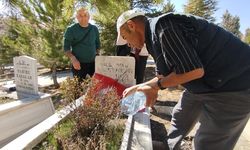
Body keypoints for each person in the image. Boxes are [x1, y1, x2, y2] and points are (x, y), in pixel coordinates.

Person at [116, 9, 250, 150]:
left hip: (234, 85)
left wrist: (155, 87)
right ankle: (170, 147)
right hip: (206, 82)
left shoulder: (165, 26)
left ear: (131, 25)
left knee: (207, 143)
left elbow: (193, 71)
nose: (128, 45)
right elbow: (163, 76)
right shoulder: (152, 38)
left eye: (125, 37)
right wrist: (138, 87)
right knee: (180, 117)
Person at [64, 7, 100, 82]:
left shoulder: (94, 29)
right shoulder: (71, 30)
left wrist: (97, 58)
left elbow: (97, 44)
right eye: (80, 15)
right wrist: (73, 59)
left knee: (95, 88)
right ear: (76, 17)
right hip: (78, 65)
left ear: (89, 16)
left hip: (93, 64)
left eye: (85, 15)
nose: (83, 18)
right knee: (78, 89)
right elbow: (66, 48)